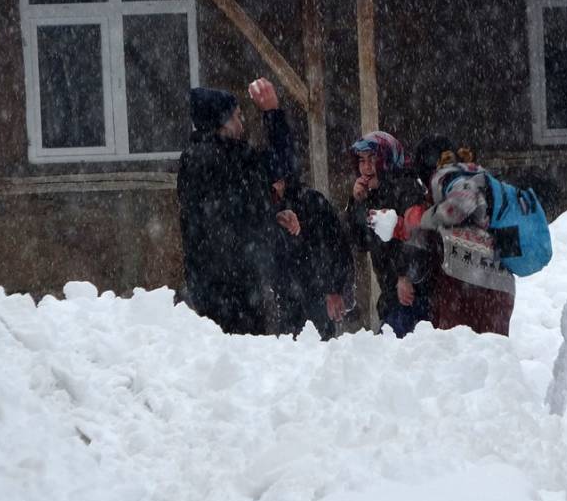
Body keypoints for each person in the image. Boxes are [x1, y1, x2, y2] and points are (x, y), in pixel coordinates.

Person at [176, 78, 295, 335]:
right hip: (233, 286)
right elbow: (280, 164)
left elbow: (235, 211)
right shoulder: (225, 156)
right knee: (242, 361)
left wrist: (271, 215)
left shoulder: (198, 156)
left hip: (214, 283)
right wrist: (272, 113)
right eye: (237, 117)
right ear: (220, 122)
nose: (241, 125)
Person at [344, 131, 431, 337]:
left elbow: (417, 234)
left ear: (387, 160)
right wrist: (357, 203)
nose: (366, 167)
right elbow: (360, 242)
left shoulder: (406, 188)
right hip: (392, 295)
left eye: (373, 159)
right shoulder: (376, 194)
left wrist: (405, 276)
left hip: (414, 296)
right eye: (362, 160)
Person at [419, 149, 515, 335]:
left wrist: (422, 220)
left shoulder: (448, 176)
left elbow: (460, 205)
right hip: (500, 282)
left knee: (457, 350)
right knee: (494, 353)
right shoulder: (489, 181)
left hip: (464, 278)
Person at [270, 172, 354, 340]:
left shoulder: (311, 201)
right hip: (288, 299)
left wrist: (334, 288)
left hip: (317, 295)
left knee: (319, 351)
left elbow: (336, 245)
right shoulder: (269, 209)